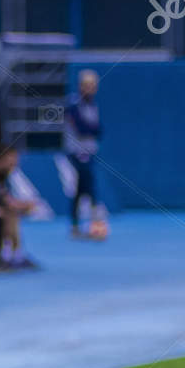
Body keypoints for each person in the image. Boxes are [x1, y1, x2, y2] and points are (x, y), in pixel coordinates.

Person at [63, 69, 102, 240]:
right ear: (80, 86)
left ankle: (76, 225)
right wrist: (91, 129)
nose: (90, 88)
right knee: (89, 185)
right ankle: (94, 224)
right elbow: (82, 129)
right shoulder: (72, 104)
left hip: (90, 151)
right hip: (76, 152)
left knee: (81, 188)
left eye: (93, 85)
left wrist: (91, 129)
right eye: (86, 85)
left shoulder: (93, 105)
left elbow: (99, 131)